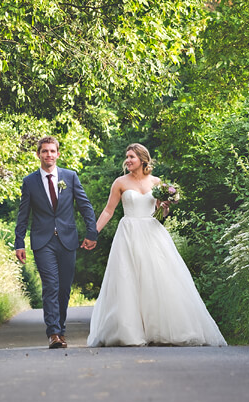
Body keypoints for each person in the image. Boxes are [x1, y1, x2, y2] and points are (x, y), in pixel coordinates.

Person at [87, 143, 227, 347]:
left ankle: (162, 330)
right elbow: (109, 210)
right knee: (128, 281)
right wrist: (93, 232)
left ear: (143, 160)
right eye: (127, 157)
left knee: (158, 279)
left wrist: (165, 206)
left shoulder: (157, 182)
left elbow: (161, 215)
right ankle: (129, 332)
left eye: (131, 157)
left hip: (152, 233)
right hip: (128, 233)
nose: (127, 160)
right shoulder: (120, 182)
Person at [15, 135, 98, 349]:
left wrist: (92, 232)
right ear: (38, 154)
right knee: (50, 285)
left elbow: (85, 205)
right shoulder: (29, 181)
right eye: (44, 151)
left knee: (63, 289)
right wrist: (19, 242)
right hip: (43, 242)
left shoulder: (70, 177)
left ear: (58, 154)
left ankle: (60, 329)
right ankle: (53, 333)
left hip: (68, 240)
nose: (48, 155)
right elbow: (23, 214)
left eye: (52, 151)